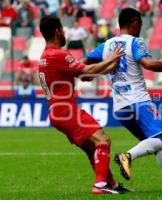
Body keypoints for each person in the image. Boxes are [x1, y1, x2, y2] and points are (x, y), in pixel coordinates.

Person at [84, 7, 162, 192]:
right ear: (135, 22)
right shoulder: (135, 42)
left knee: (153, 145)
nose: (141, 28)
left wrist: (91, 74)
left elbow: (84, 65)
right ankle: (127, 156)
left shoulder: (105, 46)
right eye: (141, 24)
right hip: (138, 101)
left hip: (120, 107)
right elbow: (148, 63)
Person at [38, 15, 130, 195]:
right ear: (57, 31)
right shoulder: (59, 54)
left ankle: (110, 183)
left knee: (92, 148)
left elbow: (83, 74)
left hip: (56, 111)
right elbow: (87, 70)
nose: (64, 33)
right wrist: (111, 59)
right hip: (66, 110)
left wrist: (107, 68)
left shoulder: (45, 56)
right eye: (63, 30)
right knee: (103, 140)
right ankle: (100, 185)